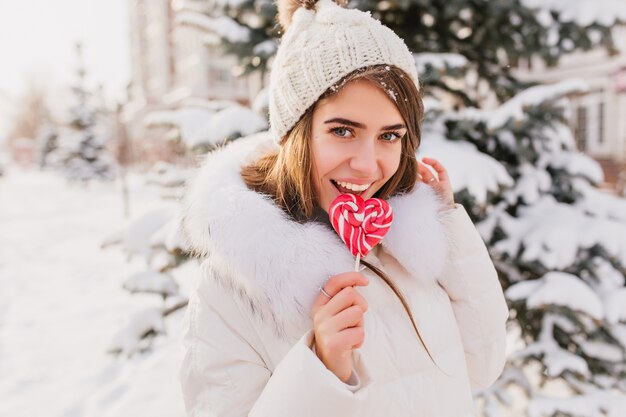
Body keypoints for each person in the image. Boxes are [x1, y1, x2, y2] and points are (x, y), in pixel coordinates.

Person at [179, 0, 509, 416]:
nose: (368, 165)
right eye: (343, 131)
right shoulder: (230, 290)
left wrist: (446, 223)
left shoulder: (403, 244)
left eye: (389, 136)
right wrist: (321, 368)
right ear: (295, 133)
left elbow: (484, 364)